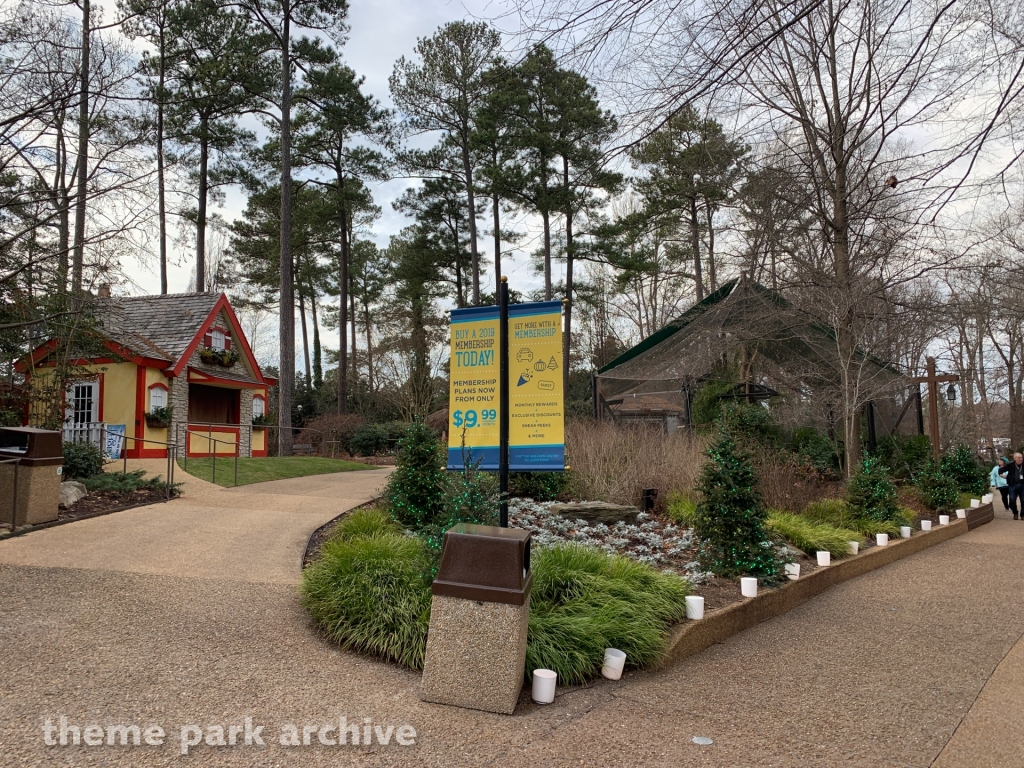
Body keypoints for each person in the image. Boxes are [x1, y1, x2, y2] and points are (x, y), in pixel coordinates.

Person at [998, 453, 1024, 520]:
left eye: (1021, 457)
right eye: (1019, 458)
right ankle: (1015, 513)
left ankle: (1023, 515)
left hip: (1022, 485)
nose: (1021, 459)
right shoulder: (1010, 465)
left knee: (1023, 500)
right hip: (1013, 485)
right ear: (1015, 459)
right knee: (1012, 500)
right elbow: (1000, 470)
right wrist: (1005, 477)